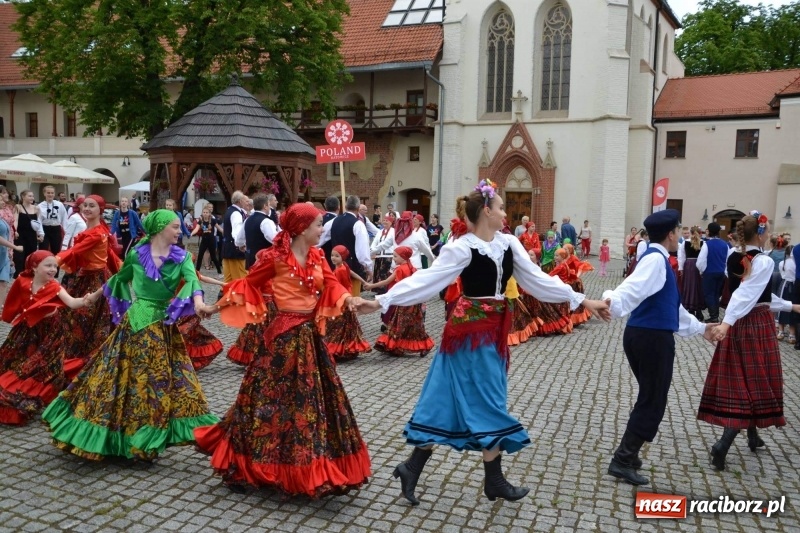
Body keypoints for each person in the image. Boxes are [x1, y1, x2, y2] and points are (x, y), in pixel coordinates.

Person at [359, 181, 609, 505]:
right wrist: (381, 301)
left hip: (493, 331)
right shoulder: (462, 247)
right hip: (467, 333)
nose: (506, 214)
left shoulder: (509, 244)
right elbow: (427, 280)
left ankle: (415, 467)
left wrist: (581, 300)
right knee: (485, 399)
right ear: (487, 211)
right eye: (501, 208)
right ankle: (492, 480)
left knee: (449, 398)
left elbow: (537, 280)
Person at [194, 202, 371, 496]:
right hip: (280, 343)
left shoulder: (318, 256)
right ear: (302, 229)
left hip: (310, 342)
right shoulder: (275, 259)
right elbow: (246, 285)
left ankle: (308, 465)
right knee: (266, 403)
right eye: (318, 225)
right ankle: (247, 462)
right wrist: (214, 307)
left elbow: (332, 286)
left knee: (308, 405)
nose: (322, 229)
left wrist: (351, 300)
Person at [42, 209, 219, 461]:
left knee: (158, 382)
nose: (180, 231)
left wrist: (200, 305)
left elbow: (193, 283)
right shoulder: (136, 254)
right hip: (134, 325)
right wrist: (93, 296)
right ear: (159, 228)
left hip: (162, 327)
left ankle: (147, 436)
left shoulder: (182, 258)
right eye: (175, 227)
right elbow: (119, 278)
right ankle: (121, 436)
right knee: (119, 379)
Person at [602, 209, 716, 486]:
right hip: (651, 338)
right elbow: (631, 288)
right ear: (671, 234)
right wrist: (610, 302)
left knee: (650, 396)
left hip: (645, 335)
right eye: (678, 231)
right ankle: (623, 459)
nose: (681, 236)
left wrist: (701, 328)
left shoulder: (658, 259)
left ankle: (629, 454)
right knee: (653, 399)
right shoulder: (655, 260)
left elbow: (672, 307)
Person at [699, 213, 800, 471]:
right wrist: (726, 323)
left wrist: (790, 305)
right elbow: (747, 294)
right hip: (754, 324)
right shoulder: (763, 261)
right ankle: (723, 444)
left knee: (746, 378)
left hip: (740, 322)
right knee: (754, 382)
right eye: (768, 231)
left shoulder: (734, 256)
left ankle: (753, 436)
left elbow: (757, 294)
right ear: (761, 233)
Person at [0, 251, 87, 425]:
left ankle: (32, 392)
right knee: (14, 359)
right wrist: (7, 316)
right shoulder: (22, 281)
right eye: (48, 265)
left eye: (55, 266)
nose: (53, 269)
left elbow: (72, 302)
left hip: (51, 333)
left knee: (40, 366)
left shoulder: (55, 286)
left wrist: (88, 299)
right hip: (26, 330)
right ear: (34, 267)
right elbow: (13, 302)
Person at [54, 195, 122, 362]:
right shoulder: (96, 230)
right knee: (74, 314)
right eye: (85, 205)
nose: (87, 209)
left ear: (100, 210)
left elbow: (75, 251)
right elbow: (108, 254)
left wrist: (50, 262)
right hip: (84, 276)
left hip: (95, 279)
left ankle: (84, 355)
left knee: (85, 316)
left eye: (92, 206)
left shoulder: (97, 233)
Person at [367, 246, 434, 357]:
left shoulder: (400, 269)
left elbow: (386, 281)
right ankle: (420, 345)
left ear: (403, 257)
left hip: (403, 301)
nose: (393, 259)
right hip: (413, 301)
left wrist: (371, 286)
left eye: (395, 256)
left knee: (399, 323)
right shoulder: (412, 268)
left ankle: (395, 345)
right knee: (415, 325)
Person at [325, 245, 371, 361]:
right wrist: (363, 281)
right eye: (332, 255)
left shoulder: (340, 270)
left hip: (341, 300)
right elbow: (353, 273)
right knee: (347, 325)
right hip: (345, 298)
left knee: (338, 326)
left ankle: (338, 349)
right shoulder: (344, 266)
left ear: (343, 257)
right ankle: (348, 347)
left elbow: (337, 287)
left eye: (337, 256)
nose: (333, 258)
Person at [322, 195, 373, 295]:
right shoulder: (358, 224)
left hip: (335, 267)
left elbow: (319, 241)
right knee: (352, 296)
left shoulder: (332, 222)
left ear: (345, 206)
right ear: (358, 208)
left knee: (337, 295)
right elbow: (362, 251)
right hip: (352, 268)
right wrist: (368, 268)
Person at [234, 193, 278, 270]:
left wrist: (240, 245)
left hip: (251, 260)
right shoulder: (266, 221)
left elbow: (239, 239)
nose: (269, 208)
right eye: (268, 205)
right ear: (265, 206)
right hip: (264, 261)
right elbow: (275, 239)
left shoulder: (248, 220)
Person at [696, 222, 728, 323]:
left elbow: (701, 261)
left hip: (709, 272)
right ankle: (716, 315)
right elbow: (727, 259)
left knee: (709, 294)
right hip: (721, 272)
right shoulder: (725, 244)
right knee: (716, 294)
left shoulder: (707, 244)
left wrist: (702, 271)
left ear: (709, 231)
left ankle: (713, 316)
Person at [221, 191, 250, 283]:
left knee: (228, 279)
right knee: (240, 279)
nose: (247, 202)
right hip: (235, 250)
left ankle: (225, 292)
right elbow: (236, 232)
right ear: (240, 201)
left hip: (227, 248)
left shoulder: (229, 210)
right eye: (244, 200)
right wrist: (241, 245)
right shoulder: (236, 213)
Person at [13, 190, 42, 279]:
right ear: (23, 197)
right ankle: (19, 275)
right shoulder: (18, 207)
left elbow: (38, 223)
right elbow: (15, 220)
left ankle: (29, 275)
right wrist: (15, 230)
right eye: (29, 196)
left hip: (31, 235)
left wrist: (40, 234)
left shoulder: (36, 208)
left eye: (32, 196)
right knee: (19, 257)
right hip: (21, 235)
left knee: (30, 256)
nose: (32, 198)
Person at [190, 205, 223, 275]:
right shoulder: (201, 221)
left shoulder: (213, 220)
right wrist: (192, 233)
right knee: (200, 255)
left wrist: (224, 232)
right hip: (204, 240)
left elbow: (219, 228)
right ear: (202, 213)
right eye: (204, 212)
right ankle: (197, 272)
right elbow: (196, 228)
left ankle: (219, 271)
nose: (205, 214)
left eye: (206, 212)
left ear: (209, 213)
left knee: (213, 257)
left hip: (211, 240)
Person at [37, 186, 67, 255]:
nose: (50, 195)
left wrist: (66, 231)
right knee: (43, 249)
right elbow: (39, 220)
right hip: (45, 228)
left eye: (52, 193)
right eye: (48, 193)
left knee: (56, 249)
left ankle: (55, 261)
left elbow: (64, 218)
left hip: (56, 228)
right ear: (44, 194)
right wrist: (41, 233)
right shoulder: (40, 206)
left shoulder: (59, 204)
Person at [776, 245, 795, 343]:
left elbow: (782, 275)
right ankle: (792, 335)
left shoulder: (782, 263)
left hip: (784, 285)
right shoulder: (796, 262)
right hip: (794, 285)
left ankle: (781, 332)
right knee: (793, 308)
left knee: (781, 306)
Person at [320, 195, 341, 267]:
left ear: (325, 206)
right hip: (333, 258)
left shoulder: (319, 219)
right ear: (338, 207)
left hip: (321, 255)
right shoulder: (339, 221)